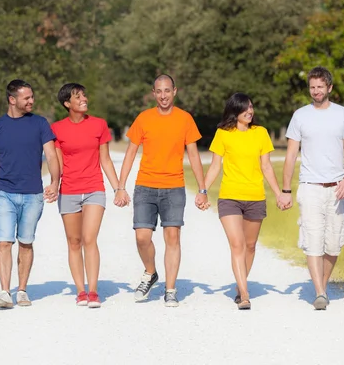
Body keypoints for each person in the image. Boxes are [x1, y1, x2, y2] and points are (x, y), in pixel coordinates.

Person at [114, 74, 208, 307]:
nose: (164, 95)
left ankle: (170, 289)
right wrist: (120, 187)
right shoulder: (144, 118)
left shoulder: (185, 119)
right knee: (142, 236)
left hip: (174, 187)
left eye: (167, 90)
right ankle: (150, 272)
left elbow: (194, 155)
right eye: (159, 91)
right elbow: (130, 153)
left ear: (174, 91)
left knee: (172, 237)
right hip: (145, 186)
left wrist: (203, 188)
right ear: (154, 93)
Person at [278, 66, 344, 310]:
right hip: (309, 186)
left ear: (329, 88)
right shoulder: (300, 116)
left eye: (320, 87)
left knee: (333, 242)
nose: (316, 91)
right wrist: (286, 190)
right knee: (313, 238)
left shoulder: (343, 115)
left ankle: (320, 285)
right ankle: (320, 292)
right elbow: (291, 155)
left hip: (337, 188)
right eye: (312, 87)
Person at [0, 79, 60, 309]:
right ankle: (5, 291)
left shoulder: (40, 124)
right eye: (27, 98)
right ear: (12, 99)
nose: (31, 101)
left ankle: (22, 290)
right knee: (4, 242)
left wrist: (55, 182)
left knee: (26, 242)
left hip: (32, 194)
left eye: (32, 97)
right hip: (4, 193)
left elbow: (52, 155)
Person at [203, 93, 282, 310]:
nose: (250, 111)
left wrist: (279, 193)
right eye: (245, 108)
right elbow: (215, 166)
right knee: (237, 244)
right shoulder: (223, 134)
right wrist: (203, 190)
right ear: (235, 110)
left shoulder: (261, 133)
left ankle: (240, 285)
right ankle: (244, 294)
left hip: (255, 197)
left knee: (250, 246)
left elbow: (266, 166)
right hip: (230, 197)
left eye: (251, 107)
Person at [51, 83, 122, 309]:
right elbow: (57, 162)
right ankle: (80, 291)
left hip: (94, 188)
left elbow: (106, 159)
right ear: (67, 103)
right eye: (77, 97)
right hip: (69, 190)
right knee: (74, 242)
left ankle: (93, 291)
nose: (83, 99)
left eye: (84, 95)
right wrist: (54, 185)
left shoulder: (99, 125)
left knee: (89, 239)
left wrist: (118, 187)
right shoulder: (57, 129)